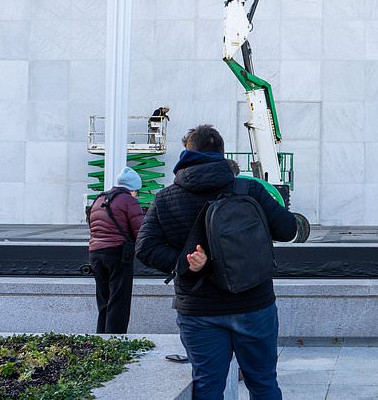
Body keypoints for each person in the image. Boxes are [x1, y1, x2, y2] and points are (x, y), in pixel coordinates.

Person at [136, 124, 297, 400]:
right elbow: (288, 230)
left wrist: (187, 263)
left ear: (187, 154)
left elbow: (144, 248)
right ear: (222, 154)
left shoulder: (165, 198)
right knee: (263, 383)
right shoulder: (249, 189)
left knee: (208, 387)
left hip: (199, 310)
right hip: (253, 304)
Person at [87, 167, 145, 334]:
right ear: (133, 189)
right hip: (117, 254)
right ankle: (115, 340)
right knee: (119, 301)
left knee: (104, 300)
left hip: (95, 254)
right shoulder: (128, 201)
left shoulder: (100, 198)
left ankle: (101, 339)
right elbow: (140, 230)